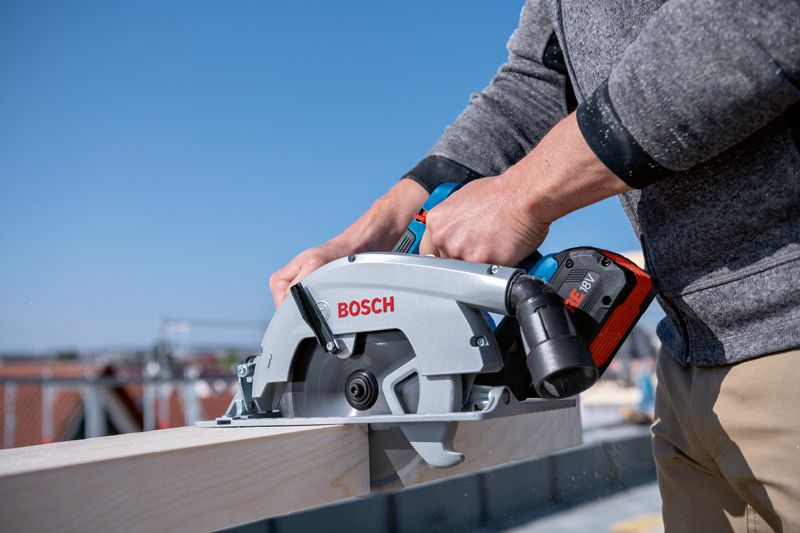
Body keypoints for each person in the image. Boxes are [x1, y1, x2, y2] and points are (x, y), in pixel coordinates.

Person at [269, 1, 800, 531]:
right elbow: (533, 86)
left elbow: (750, 18)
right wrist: (368, 239)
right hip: (689, 363)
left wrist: (519, 197)